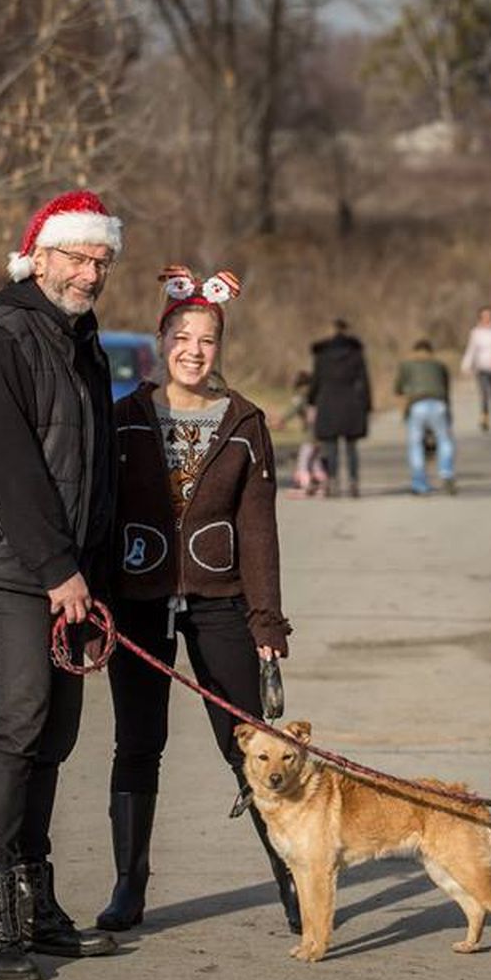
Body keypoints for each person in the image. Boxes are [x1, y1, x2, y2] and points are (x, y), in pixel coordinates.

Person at [0, 190, 123, 980]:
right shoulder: (1, 340)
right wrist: (57, 571)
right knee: (17, 725)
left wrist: (92, 574)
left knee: (56, 736)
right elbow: (14, 470)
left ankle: (36, 906)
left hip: (63, 572)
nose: (89, 273)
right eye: (76, 258)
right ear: (39, 257)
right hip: (2, 564)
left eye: (100, 262)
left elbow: (92, 470)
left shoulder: (80, 340)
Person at [96, 265, 299, 933]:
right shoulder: (123, 418)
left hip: (220, 599)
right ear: (162, 340)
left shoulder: (245, 422)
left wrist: (265, 618)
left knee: (247, 743)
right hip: (138, 597)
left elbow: (258, 526)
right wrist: (95, 603)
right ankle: (130, 884)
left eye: (207, 339)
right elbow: (101, 516)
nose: (194, 349)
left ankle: (293, 876)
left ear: (220, 347)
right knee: (138, 740)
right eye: (182, 335)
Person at [308, 318, 372, 497]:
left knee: (330, 447)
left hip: (328, 403)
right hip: (352, 404)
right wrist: (367, 405)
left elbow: (316, 381)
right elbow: (364, 381)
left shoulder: (322, 355)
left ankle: (332, 481)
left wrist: (311, 401)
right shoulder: (356, 353)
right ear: (347, 330)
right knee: (351, 448)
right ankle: (353, 482)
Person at [394, 338, 456, 495]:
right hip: (439, 404)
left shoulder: (406, 365)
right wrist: (449, 414)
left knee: (415, 444)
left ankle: (419, 483)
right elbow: (446, 389)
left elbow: (398, 389)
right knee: (444, 440)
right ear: (431, 351)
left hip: (417, 405)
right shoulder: (440, 365)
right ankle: (446, 473)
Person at [275, 370, 328, 498]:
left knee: (303, 461)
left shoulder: (301, 396)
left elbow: (293, 410)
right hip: (322, 434)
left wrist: (281, 420)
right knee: (315, 462)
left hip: (310, 436)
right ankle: (323, 485)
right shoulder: (318, 396)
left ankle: (305, 486)